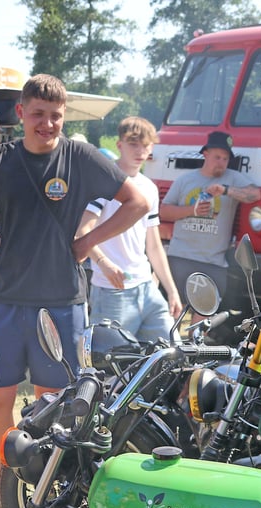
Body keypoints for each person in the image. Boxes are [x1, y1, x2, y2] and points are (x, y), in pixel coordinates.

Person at [0, 74, 148, 508]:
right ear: (21, 113)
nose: (47, 124)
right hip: (5, 300)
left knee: (57, 409)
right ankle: (4, 496)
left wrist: (87, 243)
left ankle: (51, 499)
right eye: (38, 115)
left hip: (61, 301)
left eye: (56, 116)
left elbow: (135, 202)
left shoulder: (81, 157)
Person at [78, 116, 183, 341]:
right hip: (112, 291)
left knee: (172, 356)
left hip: (147, 288)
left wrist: (171, 290)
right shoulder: (102, 181)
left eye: (146, 145)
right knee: (109, 368)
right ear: (119, 145)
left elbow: (154, 246)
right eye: (133, 144)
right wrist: (103, 264)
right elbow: (81, 231)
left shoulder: (150, 187)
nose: (140, 151)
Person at [160, 130, 261, 308]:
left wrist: (226, 190)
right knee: (175, 311)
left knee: (204, 316)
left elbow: (255, 194)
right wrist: (193, 210)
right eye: (217, 157)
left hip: (214, 262)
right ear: (205, 154)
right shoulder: (186, 180)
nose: (221, 163)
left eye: (225, 158)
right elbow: (163, 211)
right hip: (180, 257)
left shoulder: (232, 178)